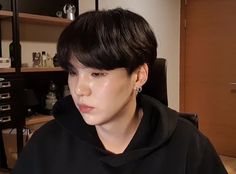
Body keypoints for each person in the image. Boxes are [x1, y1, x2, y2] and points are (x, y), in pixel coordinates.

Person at [13, 8, 227, 174]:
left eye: (97, 74)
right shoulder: (46, 144)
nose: (79, 89)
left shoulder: (188, 146)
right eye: (73, 72)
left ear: (138, 76)